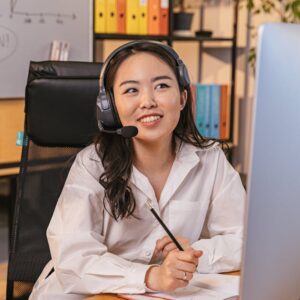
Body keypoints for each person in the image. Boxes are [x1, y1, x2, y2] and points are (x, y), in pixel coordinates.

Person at [29, 41, 245, 299]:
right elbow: (73, 257)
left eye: (162, 86)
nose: (148, 101)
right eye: (131, 90)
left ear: (183, 97)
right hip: (93, 292)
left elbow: (244, 239)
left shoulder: (210, 158)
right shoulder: (92, 165)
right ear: (109, 108)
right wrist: (151, 276)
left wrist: (194, 255)